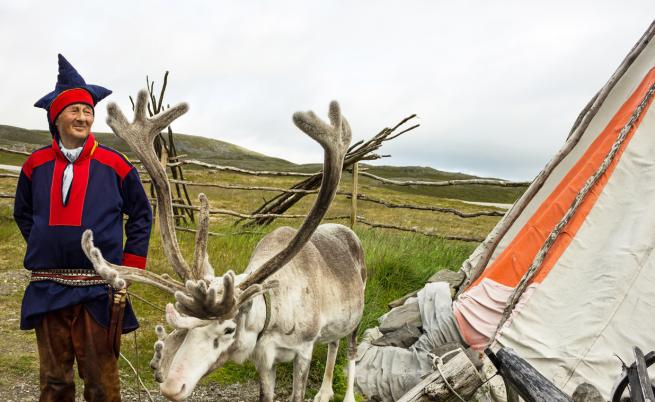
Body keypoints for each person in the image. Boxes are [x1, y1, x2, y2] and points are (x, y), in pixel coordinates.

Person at [13, 54, 153, 402]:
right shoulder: (35, 165)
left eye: (88, 111)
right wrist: (46, 245)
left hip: (98, 290)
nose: (83, 117)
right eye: (75, 110)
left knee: (102, 382)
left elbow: (141, 214)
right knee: (54, 381)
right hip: (48, 288)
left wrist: (130, 266)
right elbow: (23, 213)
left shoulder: (115, 165)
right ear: (56, 117)